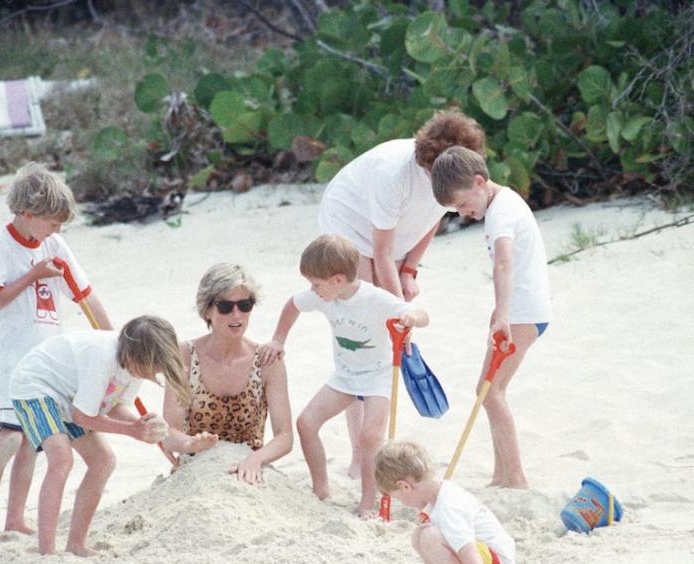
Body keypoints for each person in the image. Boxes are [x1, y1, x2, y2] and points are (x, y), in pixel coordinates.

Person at [317, 111, 486, 479]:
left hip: (392, 238)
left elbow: (433, 217)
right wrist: (398, 310)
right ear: (426, 162)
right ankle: (361, 458)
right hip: (350, 228)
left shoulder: (452, 176)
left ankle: (373, 450)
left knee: (386, 326)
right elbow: (379, 253)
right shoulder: (394, 175)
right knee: (364, 334)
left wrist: (410, 270)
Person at [0, 162, 113, 542]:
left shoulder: (53, 243)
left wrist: (116, 342)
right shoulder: (1, 243)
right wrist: (33, 275)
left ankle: (15, 518)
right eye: (52, 222)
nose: (57, 230)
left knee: (35, 440)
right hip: (16, 358)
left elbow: (85, 295)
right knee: (12, 436)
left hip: (51, 361)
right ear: (27, 214)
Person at [260, 235, 429, 517]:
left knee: (370, 436)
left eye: (316, 283)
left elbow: (421, 314)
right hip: (345, 376)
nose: (312, 290)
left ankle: (367, 500)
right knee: (306, 423)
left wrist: (411, 317)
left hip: (378, 376)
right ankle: (321, 488)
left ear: (338, 280)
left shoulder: (374, 298)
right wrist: (278, 339)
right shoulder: (323, 296)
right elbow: (292, 304)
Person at [10, 316, 184, 556]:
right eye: (148, 369)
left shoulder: (133, 367)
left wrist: (142, 424)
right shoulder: (102, 359)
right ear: (135, 356)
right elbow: (82, 416)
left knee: (104, 461)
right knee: (61, 458)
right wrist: (132, 431)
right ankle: (47, 551)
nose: (149, 374)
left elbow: (114, 406)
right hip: (36, 385)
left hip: (70, 397)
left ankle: (76, 544)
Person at [431, 146, 552, 489]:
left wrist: (501, 313)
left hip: (524, 313)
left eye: (464, 204)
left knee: (492, 391)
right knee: (488, 390)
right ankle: (502, 475)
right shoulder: (504, 202)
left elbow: (504, 262)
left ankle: (514, 477)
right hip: (522, 309)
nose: (465, 213)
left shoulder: (500, 214)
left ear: (480, 182)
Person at [162, 263, 293, 483]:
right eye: (225, 307)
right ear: (207, 311)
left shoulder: (267, 361)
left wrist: (256, 459)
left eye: (245, 305)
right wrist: (191, 444)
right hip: (196, 472)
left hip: (249, 471)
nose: (237, 315)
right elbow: (169, 434)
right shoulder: (183, 356)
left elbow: (285, 437)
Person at [374, 441, 514, 564]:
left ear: (405, 486)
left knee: (429, 535)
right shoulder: (438, 496)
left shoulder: (449, 506)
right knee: (420, 536)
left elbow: (468, 550)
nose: (402, 502)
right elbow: (452, 547)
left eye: (398, 497)